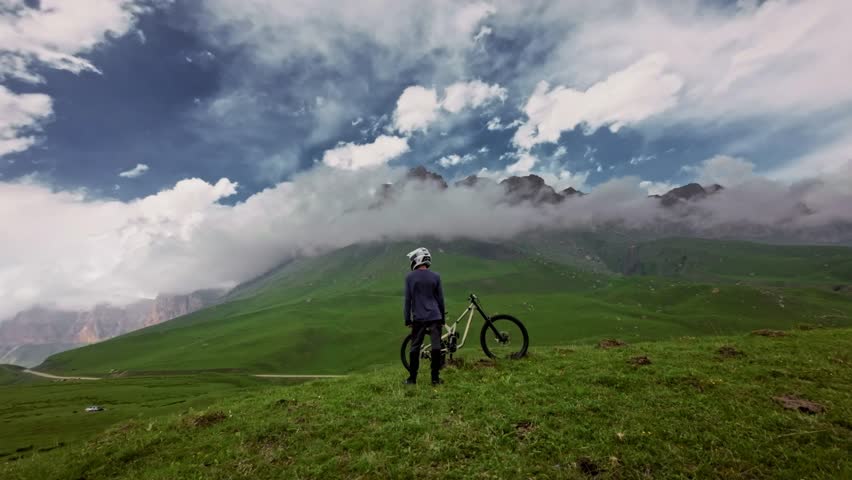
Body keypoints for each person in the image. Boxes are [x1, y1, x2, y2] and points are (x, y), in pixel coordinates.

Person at [403, 247, 446, 385]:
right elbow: (440, 300)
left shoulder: (410, 277)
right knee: (436, 346)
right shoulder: (436, 276)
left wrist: (407, 319)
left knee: (415, 347)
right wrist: (442, 319)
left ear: (416, 259)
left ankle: (412, 378)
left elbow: (407, 300)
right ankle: (435, 378)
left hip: (419, 317)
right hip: (435, 316)